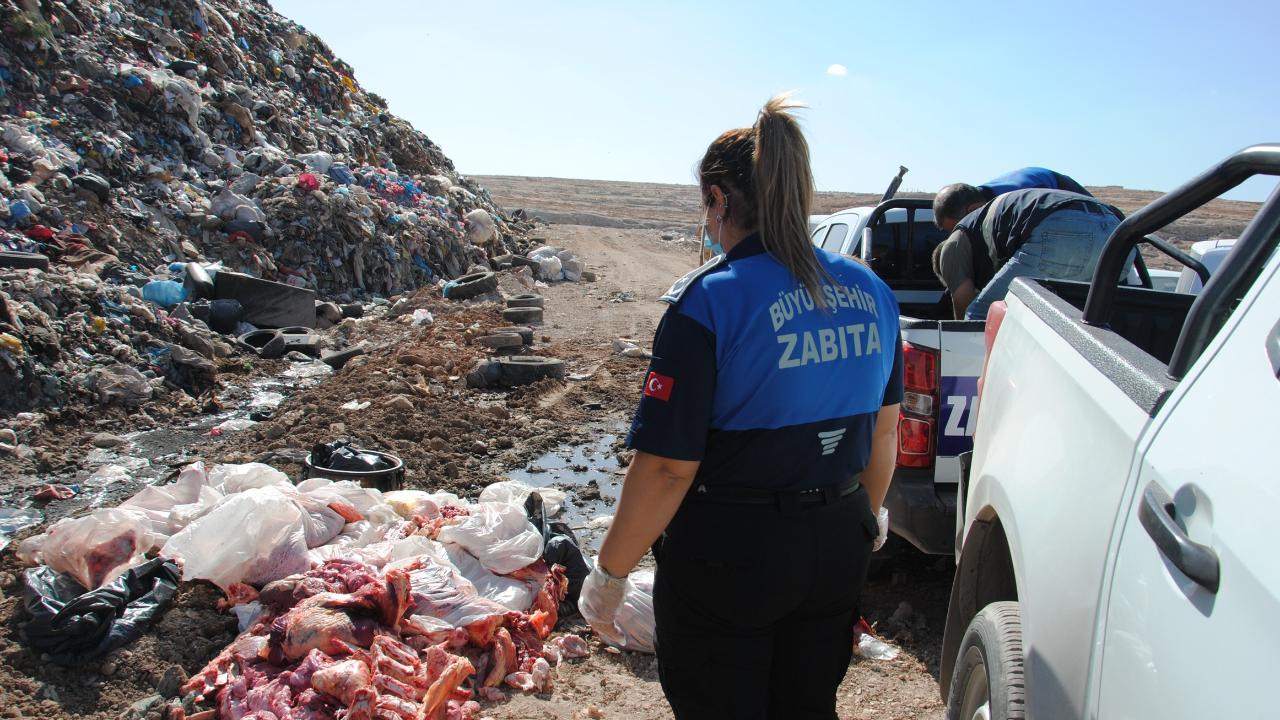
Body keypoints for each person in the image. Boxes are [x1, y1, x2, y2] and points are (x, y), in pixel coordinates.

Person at [577, 96, 902, 720]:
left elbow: (667, 469)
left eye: (706, 205)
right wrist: (870, 512)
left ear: (720, 199)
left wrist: (611, 576)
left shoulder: (709, 301)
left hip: (732, 554)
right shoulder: (871, 290)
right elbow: (882, 434)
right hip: (837, 544)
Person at [931, 187, 1123, 321]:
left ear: (972, 209)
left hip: (1062, 231)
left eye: (953, 228)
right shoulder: (1009, 210)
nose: (954, 234)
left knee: (981, 316)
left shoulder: (955, 241)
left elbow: (963, 303)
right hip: (1116, 228)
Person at [932, 166, 1091, 233]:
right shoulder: (979, 199)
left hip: (1077, 205)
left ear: (973, 210)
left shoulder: (1017, 203)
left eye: (961, 228)